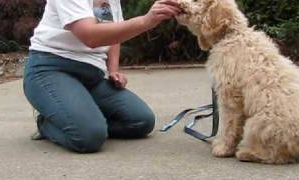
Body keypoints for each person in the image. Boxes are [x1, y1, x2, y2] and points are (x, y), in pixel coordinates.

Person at [24, 0, 182, 153]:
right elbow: (90, 36)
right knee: (88, 137)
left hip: (91, 77)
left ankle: (78, 116)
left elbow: (115, 34)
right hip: (50, 70)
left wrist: (113, 70)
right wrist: (146, 21)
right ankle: (47, 122)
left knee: (141, 121)